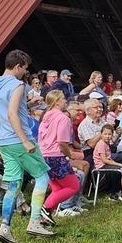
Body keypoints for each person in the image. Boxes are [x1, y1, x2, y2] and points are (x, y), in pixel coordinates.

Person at [0, 50, 54, 243]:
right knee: (42, 176)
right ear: (18, 66)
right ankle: (35, 221)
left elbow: (7, 109)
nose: (25, 74)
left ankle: (5, 228)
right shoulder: (18, 85)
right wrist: (25, 141)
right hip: (19, 139)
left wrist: (27, 104)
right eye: (25, 69)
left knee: (13, 184)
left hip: (3, 140)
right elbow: (12, 114)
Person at [37, 90, 81, 226]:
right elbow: (62, 143)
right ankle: (45, 208)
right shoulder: (62, 118)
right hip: (56, 157)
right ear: (56, 102)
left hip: (43, 156)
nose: (65, 101)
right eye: (63, 99)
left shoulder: (46, 116)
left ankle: (46, 215)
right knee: (73, 186)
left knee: (57, 189)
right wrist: (71, 155)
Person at [94, 124, 122, 205]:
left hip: (107, 163)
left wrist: (117, 164)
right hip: (101, 166)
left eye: (109, 134)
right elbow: (104, 160)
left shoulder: (106, 144)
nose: (107, 136)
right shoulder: (101, 144)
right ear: (101, 134)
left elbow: (109, 158)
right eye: (105, 134)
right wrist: (119, 164)